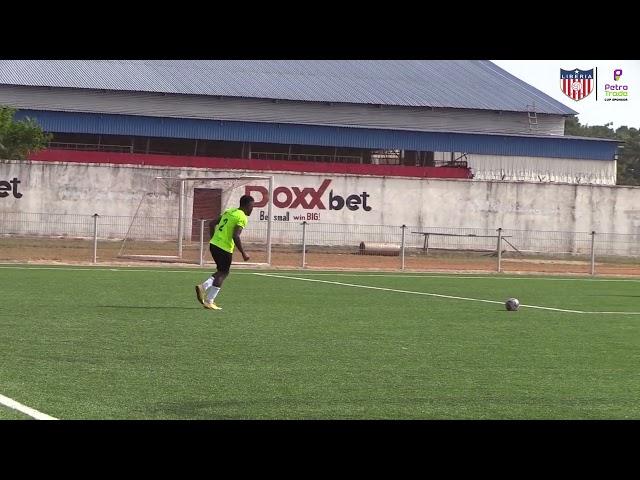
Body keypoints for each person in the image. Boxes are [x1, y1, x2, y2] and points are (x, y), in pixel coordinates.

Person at [195, 195, 254, 310]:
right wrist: (243, 253)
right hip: (224, 248)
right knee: (223, 273)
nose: (252, 209)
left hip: (214, 245)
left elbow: (212, 223)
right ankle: (209, 299)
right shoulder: (242, 217)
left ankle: (204, 288)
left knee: (220, 271)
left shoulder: (230, 211)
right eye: (252, 206)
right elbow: (235, 236)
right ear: (246, 206)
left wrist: (214, 239)